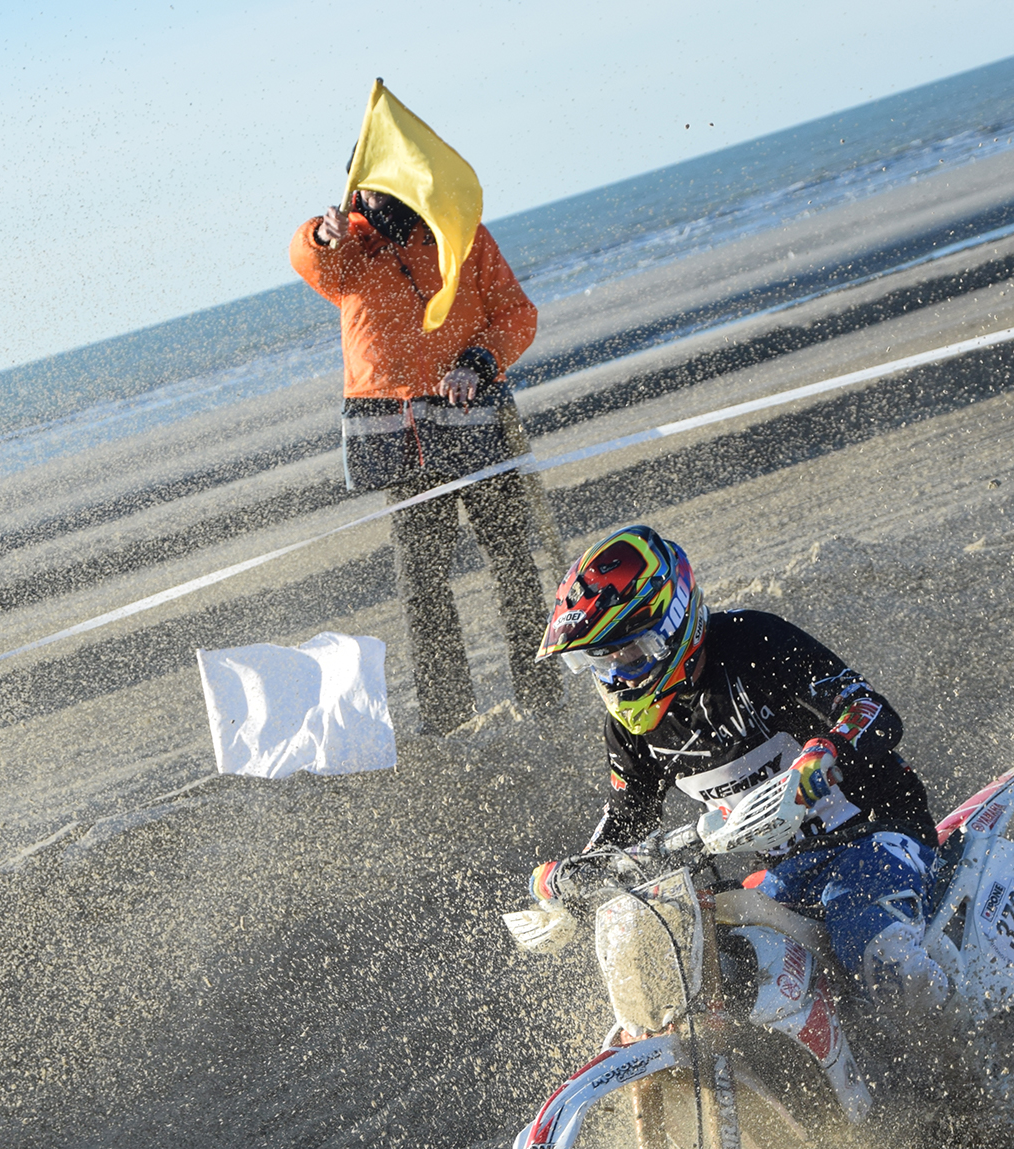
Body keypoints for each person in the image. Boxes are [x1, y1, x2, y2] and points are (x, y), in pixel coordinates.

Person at [528, 524, 953, 1019]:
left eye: (630, 652)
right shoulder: (631, 731)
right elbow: (627, 821)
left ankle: (968, 1061)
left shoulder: (754, 643)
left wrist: (822, 756)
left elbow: (871, 710)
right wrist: (575, 880)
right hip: (785, 870)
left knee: (875, 954)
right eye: (602, 661)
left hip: (877, 832)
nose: (619, 674)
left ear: (673, 623)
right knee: (717, 964)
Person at [290, 185, 562, 733]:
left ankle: (544, 696)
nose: (377, 190)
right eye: (368, 180)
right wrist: (321, 234)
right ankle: (447, 716)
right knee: (421, 585)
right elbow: (311, 263)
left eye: (389, 178)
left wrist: (478, 362)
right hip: (400, 437)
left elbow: (517, 314)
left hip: (477, 423)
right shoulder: (346, 243)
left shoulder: (460, 232)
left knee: (513, 563)